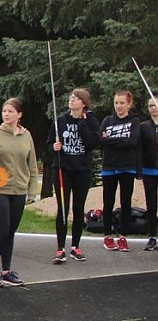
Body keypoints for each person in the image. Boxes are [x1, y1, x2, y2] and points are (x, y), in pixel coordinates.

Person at [0, 97, 39, 287]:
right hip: (0, 188)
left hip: (19, 188)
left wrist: (32, 190)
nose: (6, 114)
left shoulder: (26, 136)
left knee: (11, 232)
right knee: (2, 231)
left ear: (19, 115)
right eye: (4, 111)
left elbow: (32, 164)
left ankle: (6, 270)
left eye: (11, 111)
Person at [47, 88, 101, 263]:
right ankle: (60, 248)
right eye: (71, 97)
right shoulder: (60, 120)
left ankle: (75, 246)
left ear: (83, 103)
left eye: (76, 98)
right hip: (63, 169)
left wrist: (83, 125)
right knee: (63, 208)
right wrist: (53, 148)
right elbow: (49, 145)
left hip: (82, 171)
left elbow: (93, 143)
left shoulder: (91, 120)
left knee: (79, 208)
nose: (72, 100)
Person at [99, 90, 141, 252]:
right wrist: (115, 141)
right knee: (108, 202)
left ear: (129, 104)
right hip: (109, 167)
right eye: (116, 103)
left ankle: (123, 236)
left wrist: (111, 140)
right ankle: (108, 236)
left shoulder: (134, 121)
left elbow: (132, 142)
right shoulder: (107, 120)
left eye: (122, 103)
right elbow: (101, 141)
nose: (119, 106)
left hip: (127, 167)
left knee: (126, 203)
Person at [140, 97, 158, 251]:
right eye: (151, 106)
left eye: (156, 105)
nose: (154, 108)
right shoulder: (144, 127)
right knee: (151, 205)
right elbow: (139, 149)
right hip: (149, 171)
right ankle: (152, 236)